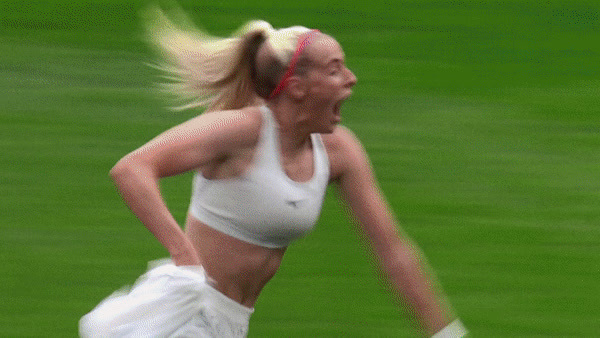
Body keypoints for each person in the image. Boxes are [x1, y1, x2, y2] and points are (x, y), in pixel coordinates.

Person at [79, 5, 467, 337]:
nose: (351, 79)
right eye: (335, 70)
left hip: (230, 324)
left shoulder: (339, 150)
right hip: (185, 320)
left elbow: (393, 251)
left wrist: (447, 333)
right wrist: (185, 257)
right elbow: (133, 168)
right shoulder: (243, 131)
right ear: (298, 87)